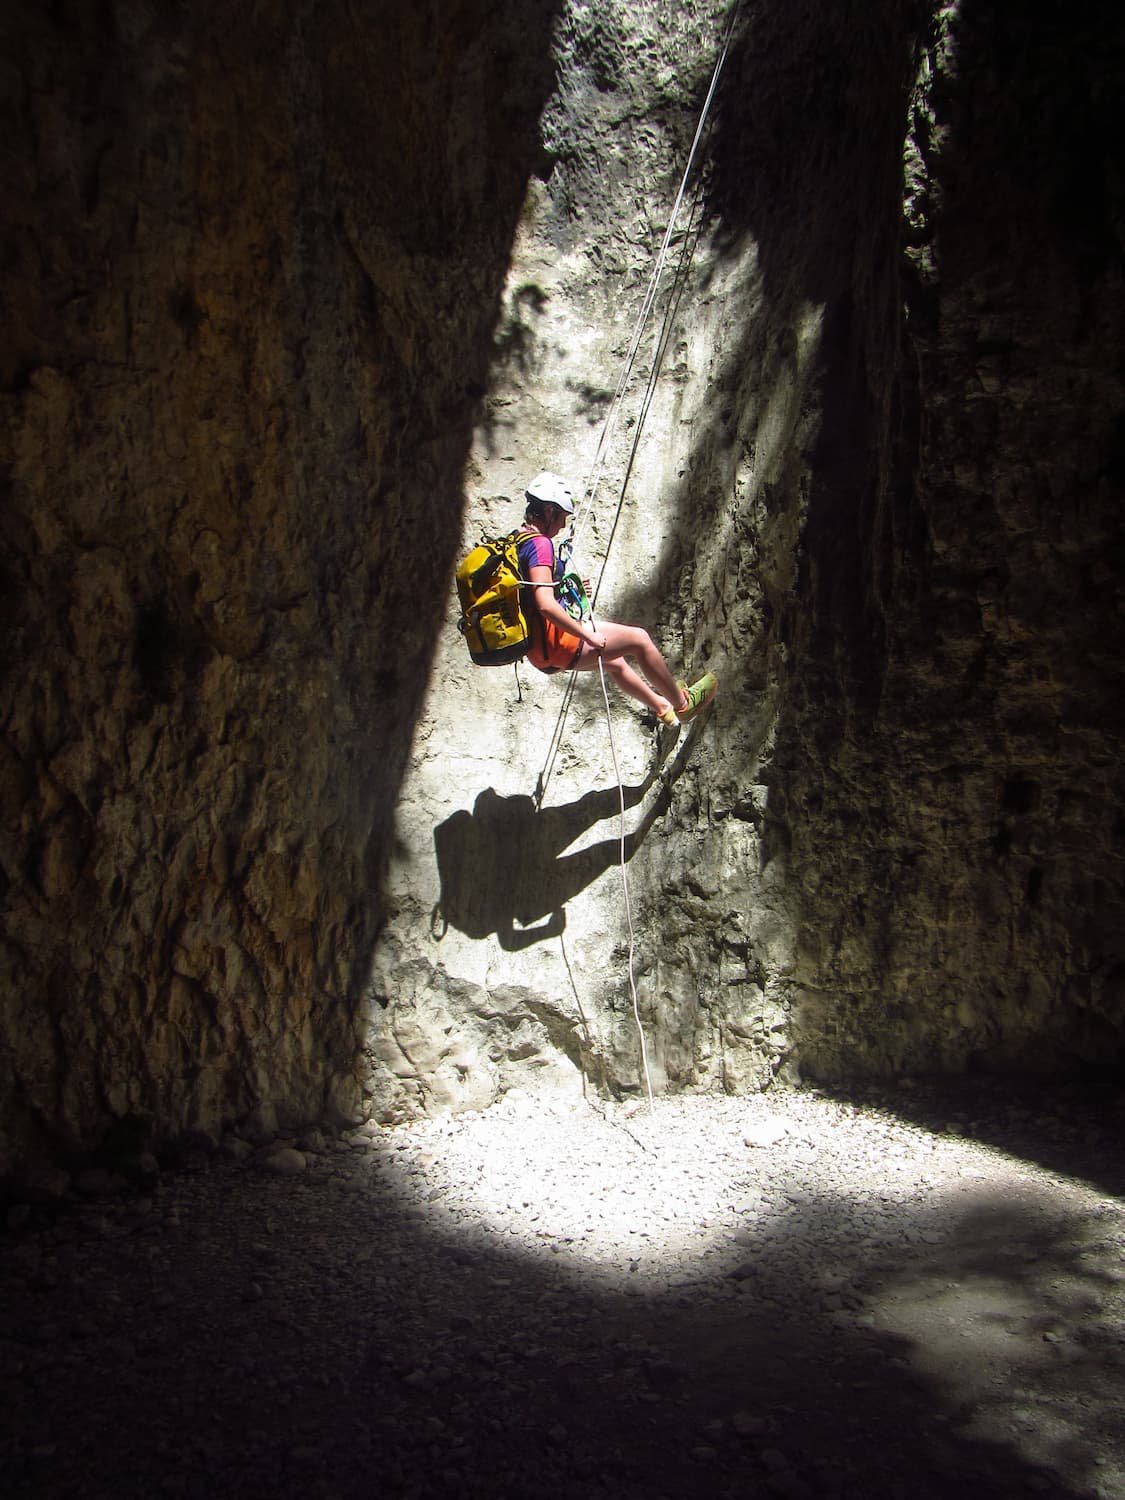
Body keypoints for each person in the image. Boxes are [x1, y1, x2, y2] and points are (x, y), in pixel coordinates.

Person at [516, 471, 717, 727]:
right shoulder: (540, 544)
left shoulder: (519, 540)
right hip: (558, 643)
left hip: (539, 653)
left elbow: (534, 598)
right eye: (562, 517)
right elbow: (544, 603)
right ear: (548, 512)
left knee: (616, 663)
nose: (563, 526)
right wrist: (587, 636)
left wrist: (568, 588)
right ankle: (684, 704)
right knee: (639, 640)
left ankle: (663, 708)